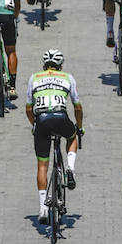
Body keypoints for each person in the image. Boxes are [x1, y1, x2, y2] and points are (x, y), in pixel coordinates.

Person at [26, 49, 83, 221]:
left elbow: (29, 109)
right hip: (61, 118)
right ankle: (70, 169)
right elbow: (77, 107)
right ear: (61, 65)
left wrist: (35, 124)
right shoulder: (67, 77)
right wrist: (79, 127)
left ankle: (43, 208)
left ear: (44, 65)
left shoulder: (34, 78)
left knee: (42, 166)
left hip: (42, 120)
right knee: (72, 136)